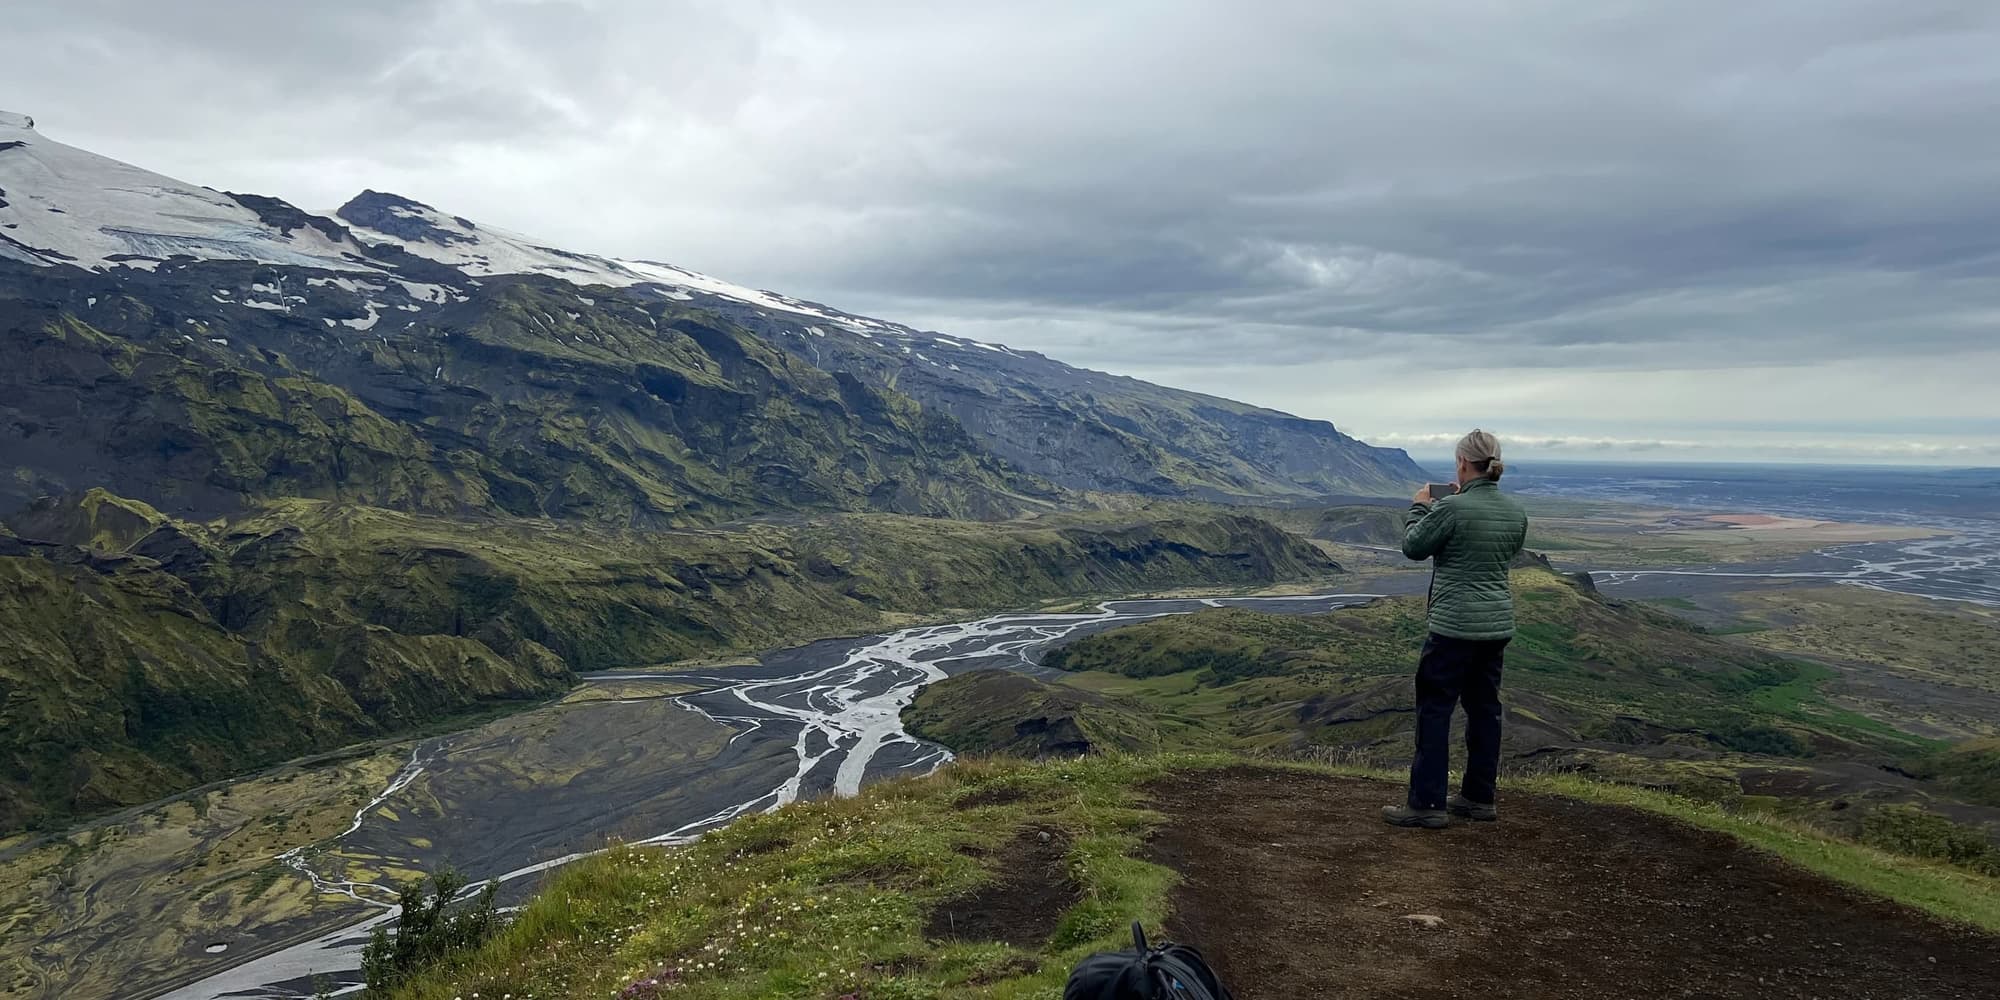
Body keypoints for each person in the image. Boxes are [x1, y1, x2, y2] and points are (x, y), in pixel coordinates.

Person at [1382, 429, 1528, 829]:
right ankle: (1479, 798)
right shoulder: (1515, 512)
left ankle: (1426, 804)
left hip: (1453, 627)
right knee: (1484, 711)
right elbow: (1505, 553)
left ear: (1462, 463)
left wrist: (1419, 507)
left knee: (1435, 710)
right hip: (1495, 626)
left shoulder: (1452, 508)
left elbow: (1414, 547)